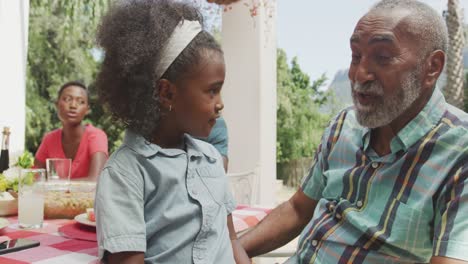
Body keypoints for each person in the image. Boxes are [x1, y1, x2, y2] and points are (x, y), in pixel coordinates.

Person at [239, 0, 468, 263]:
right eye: (355, 56)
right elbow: (297, 209)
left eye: (382, 58)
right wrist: (232, 251)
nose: (359, 75)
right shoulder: (343, 125)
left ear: (432, 67)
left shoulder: (459, 153)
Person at [94, 0, 249, 263]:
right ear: (167, 92)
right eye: (212, 90)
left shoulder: (211, 158)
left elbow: (231, 239)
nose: (220, 103)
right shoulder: (126, 174)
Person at [34, 81, 108, 181]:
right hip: (56, 196)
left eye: (81, 101)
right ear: (57, 104)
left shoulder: (97, 136)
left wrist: (56, 184)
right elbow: (36, 177)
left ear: (87, 109)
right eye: (68, 99)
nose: (73, 105)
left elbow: (96, 181)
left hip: (89, 197)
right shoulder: (49, 139)